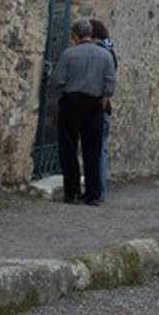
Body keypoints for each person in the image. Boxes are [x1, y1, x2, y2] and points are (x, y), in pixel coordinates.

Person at [54, 18, 116, 206]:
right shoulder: (105, 56)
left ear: (75, 35)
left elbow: (59, 80)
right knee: (92, 150)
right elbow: (110, 84)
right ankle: (92, 194)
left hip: (71, 102)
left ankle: (71, 192)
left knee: (69, 148)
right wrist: (103, 100)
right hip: (95, 104)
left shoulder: (68, 54)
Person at [90, 19, 118, 202]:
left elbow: (108, 84)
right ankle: (98, 189)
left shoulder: (101, 53)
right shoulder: (110, 52)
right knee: (101, 149)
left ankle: (97, 190)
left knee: (98, 149)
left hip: (98, 106)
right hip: (103, 106)